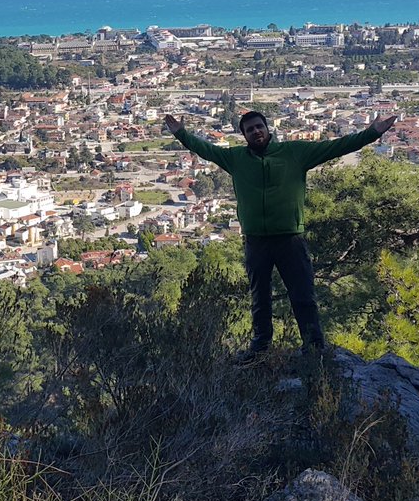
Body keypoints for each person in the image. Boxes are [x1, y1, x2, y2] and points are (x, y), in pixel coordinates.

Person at [165, 109, 397, 361]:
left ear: (267, 128)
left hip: (290, 238)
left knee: (303, 295)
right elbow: (205, 149)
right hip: (256, 240)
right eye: (250, 129)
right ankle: (260, 347)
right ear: (244, 135)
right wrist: (181, 134)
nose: (256, 131)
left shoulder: (294, 152)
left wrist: (372, 133)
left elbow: (336, 147)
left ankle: (314, 347)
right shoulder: (234, 158)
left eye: (258, 126)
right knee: (259, 297)